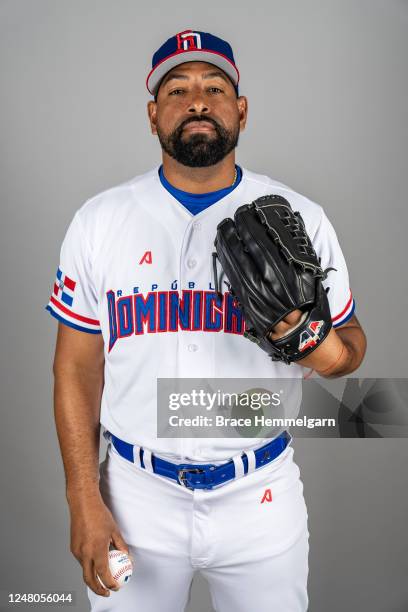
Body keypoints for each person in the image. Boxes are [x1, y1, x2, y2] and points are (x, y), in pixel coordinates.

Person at [45, 29, 367, 612]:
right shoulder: (100, 220)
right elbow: (75, 368)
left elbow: (348, 353)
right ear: (153, 115)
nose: (198, 101)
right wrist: (82, 498)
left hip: (260, 495)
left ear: (240, 109)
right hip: (133, 497)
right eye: (178, 90)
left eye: (215, 88)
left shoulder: (300, 218)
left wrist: (304, 339)